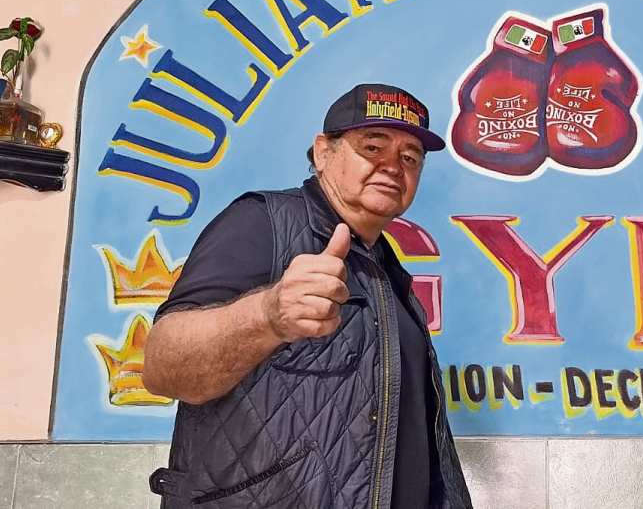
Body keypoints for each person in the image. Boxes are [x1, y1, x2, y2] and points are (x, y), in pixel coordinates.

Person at [143, 83, 472, 508]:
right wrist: (267, 315)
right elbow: (163, 367)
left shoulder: (389, 274)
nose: (393, 166)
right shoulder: (263, 222)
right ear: (323, 152)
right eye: (373, 147)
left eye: (410, 158)